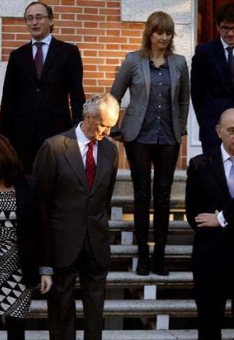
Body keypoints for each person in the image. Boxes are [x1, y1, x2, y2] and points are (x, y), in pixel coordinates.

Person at [33, 93, 119, 340]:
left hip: (96, 242)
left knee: (95, 315)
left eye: (111, 126)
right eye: (103, 125)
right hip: (63, 242)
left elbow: (104, 196)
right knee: (61, 313)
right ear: (88, 117)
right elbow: (41, 204)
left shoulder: (110, 151)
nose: (106, 132)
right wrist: (45, 258)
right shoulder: (55, 147)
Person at [110, 11, 189, 276]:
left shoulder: (179, 63)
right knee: (142, 195)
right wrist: (113, 125)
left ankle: (160, 257)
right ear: (149, 33)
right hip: (138, 136)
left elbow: (183, 100)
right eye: (159, 32)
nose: (164, 37)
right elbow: (115, 95)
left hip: (168, 135)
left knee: (164, 196)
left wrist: (182, 125)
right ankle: (143, 255)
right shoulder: (134, 60)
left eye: (168, 33)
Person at [0, 134, 52, 340]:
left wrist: (45, 270)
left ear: (1, 161)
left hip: (20, 270)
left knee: (17, 330)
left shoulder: (30, 187)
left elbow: (42, 230)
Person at [0, 1, 85, 174]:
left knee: (54, 185)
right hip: (21, 136)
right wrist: (3, 138)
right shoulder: (17, 56)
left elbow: (76, 96)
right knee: (24, 185)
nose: (34, 22)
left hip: (57, 133)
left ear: (51, 20)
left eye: (39, 17)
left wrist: (79, 133)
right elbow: (8, 100)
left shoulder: (68, 52)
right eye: (29, 18)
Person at [185, 108, 234, 340]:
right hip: (210, 256)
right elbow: (194, 214)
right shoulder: (199, 165)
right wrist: (214, 224)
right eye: (232, 131)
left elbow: (214, 218)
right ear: (218, 131)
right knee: (208, 322)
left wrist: (222, 219)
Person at [191, 2, 234, 154]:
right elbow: (197, 93)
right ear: (217, 26)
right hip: (213, 128)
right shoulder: (204, 52)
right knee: (214, 174)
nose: (230, 33)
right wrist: (206, 123)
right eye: (225, 28)